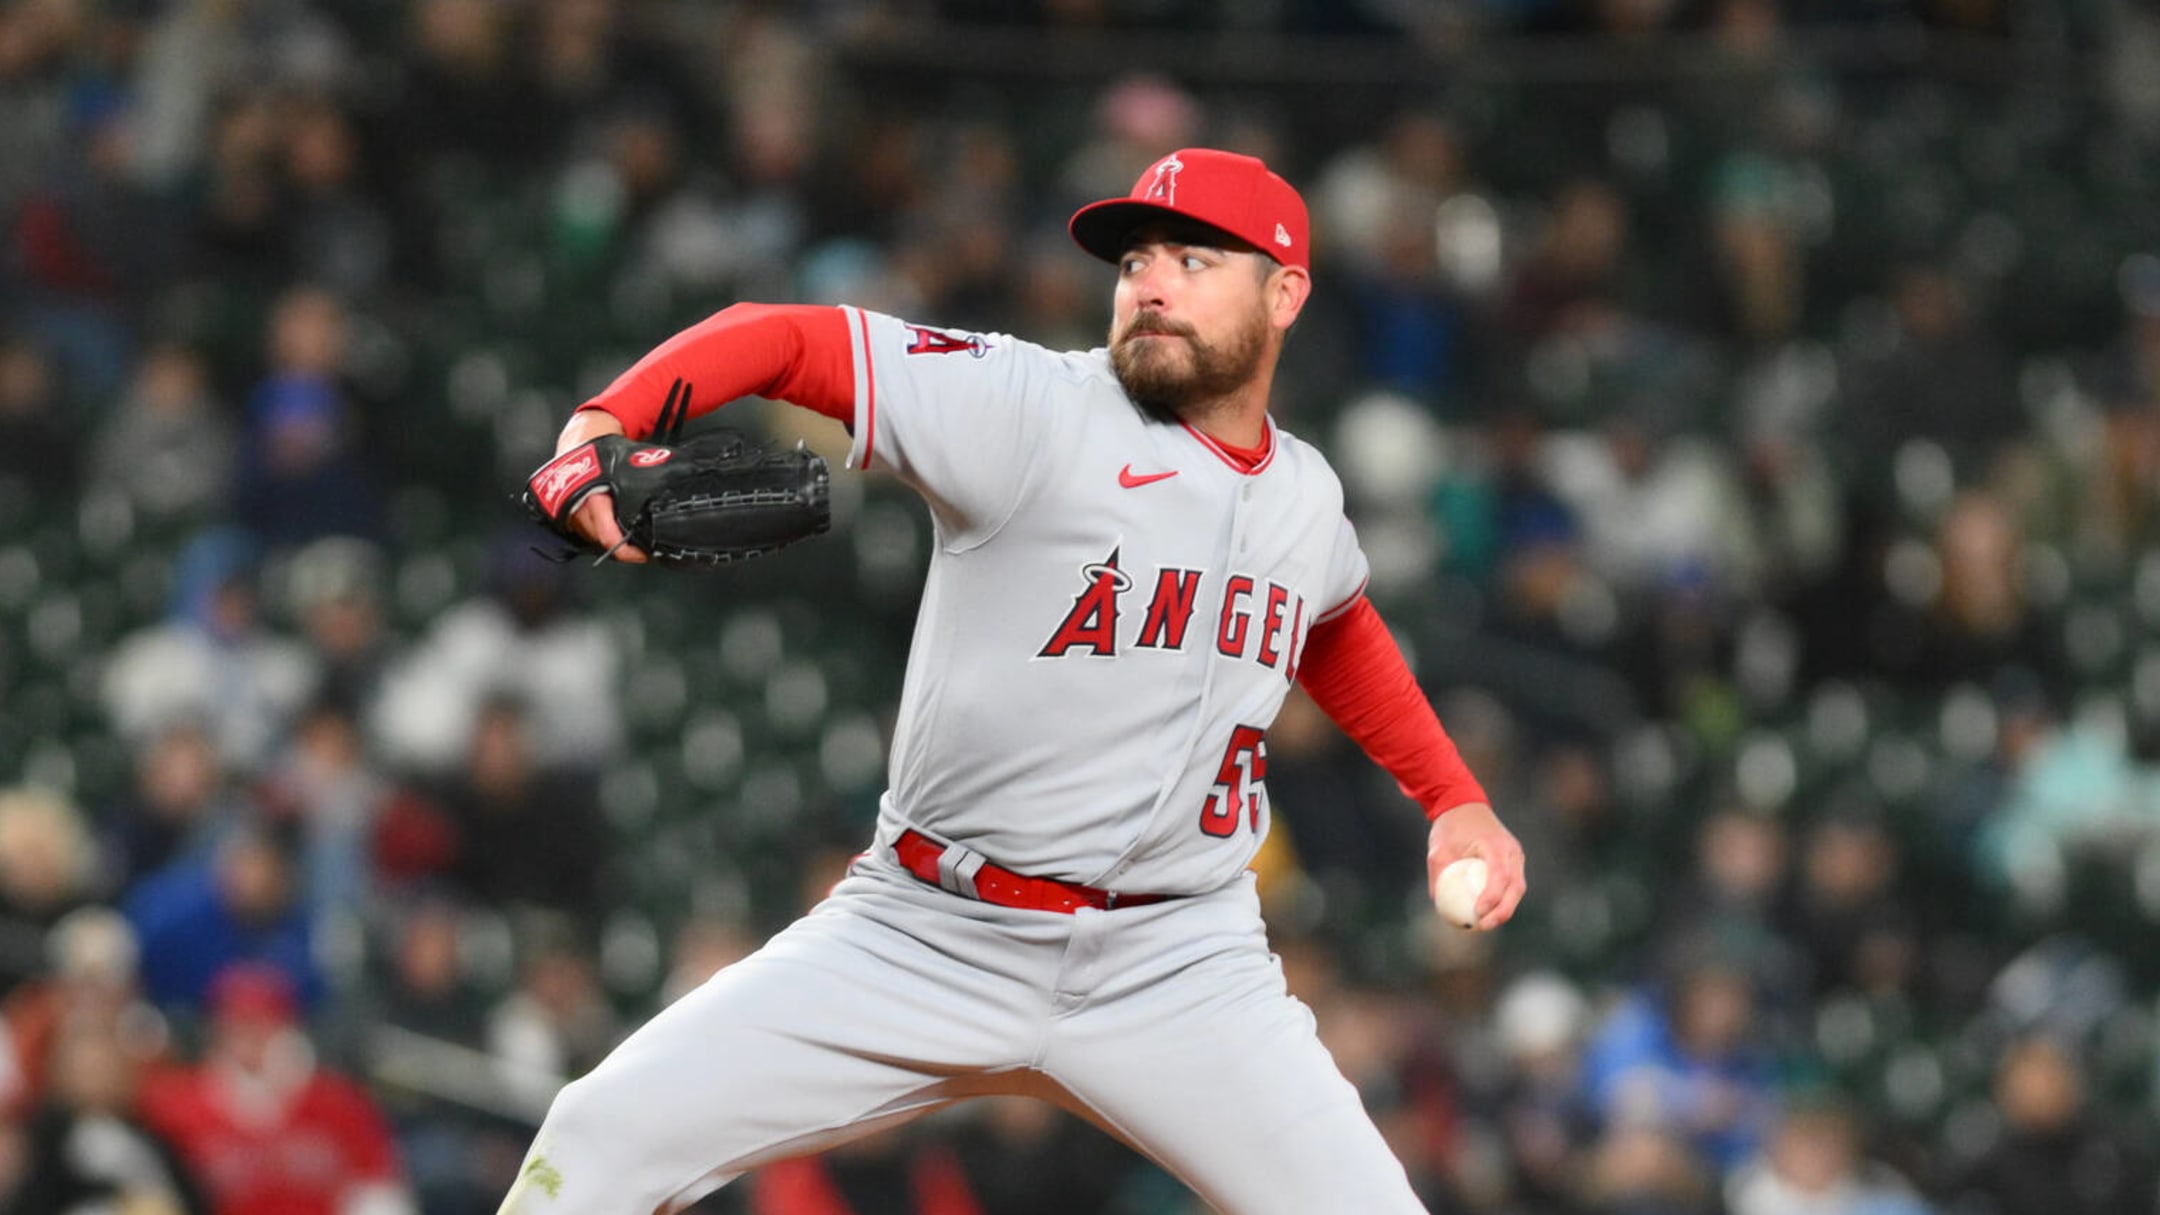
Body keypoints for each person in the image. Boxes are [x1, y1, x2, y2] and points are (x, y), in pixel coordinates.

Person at [501, 148, 1526, 1214]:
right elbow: (793, 337)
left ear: (1286, 293)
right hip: (928, 930)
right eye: (1135, 260)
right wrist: (602, 422)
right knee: (599, 1136)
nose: (1152, 283)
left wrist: (1453, 797)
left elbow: (1336, 620)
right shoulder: (1033, 405)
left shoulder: (1306, 495)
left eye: (1192, 257)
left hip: (1177, 964)